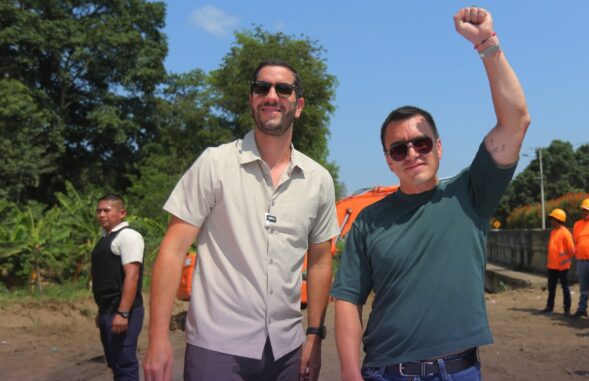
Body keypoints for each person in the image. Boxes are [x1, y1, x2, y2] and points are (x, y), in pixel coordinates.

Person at [331, 6, 531, 380]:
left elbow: (516, 119)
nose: (412, 154)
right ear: (388, 161)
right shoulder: (368, 220)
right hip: (385, 372)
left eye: (421, 143)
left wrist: (487, 44)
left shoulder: (471, 192)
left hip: (459, 372)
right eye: (399, 149)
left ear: (439, 147)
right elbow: (346, 300)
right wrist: (349, 373)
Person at [143, 60, 340, 381]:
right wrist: (157, 339)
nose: (271, 95)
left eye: (283, 89)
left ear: (299, 105)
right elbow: (173, 250)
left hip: (286, 351)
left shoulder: (318, 180)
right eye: (261, 88)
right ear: (252, 100)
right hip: (216, 349)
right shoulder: (214, 164)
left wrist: (314, 335)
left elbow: (319, 262)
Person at [92, 194, 145, 381]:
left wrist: (123, 313)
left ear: (122, 213)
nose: (101, 214)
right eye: (99, 210)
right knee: (114, 362)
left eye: (107, 210)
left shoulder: (128, 236)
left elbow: (132, 275)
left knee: (124, 363)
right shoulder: (105, 239)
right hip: (108, 310)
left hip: (124, 311)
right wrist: (102, 312)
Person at [542, 208, 576, 316]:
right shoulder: (553, 231)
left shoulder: (565, 233)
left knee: (565, 287)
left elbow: (571, 250)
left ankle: (567, 309)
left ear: (558, 220)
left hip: (562, 266)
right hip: (552, 265)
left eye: (552, 219)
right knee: (551, 287)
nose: (551, 221)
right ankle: (549, 306)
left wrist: (566, 261)